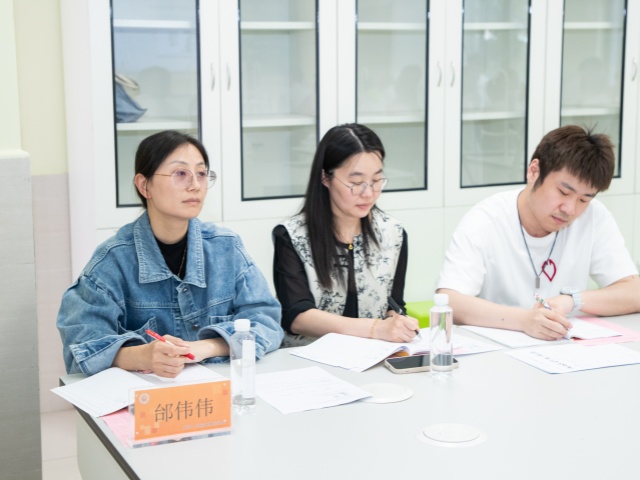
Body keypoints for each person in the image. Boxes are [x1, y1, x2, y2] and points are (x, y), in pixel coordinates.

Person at [57, 130, 283, 377]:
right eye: (180, 174)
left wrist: (208, 346)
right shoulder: (112, 261)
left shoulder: (226, 248)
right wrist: (142, 355)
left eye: (201, 174)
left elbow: (267, 321)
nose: (195, 186)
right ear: (144, 185)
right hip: (147, 396)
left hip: (221, 389)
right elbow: (80, 349)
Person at [436, 125, 640, 340]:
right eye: (563, 192)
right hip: (499, 348)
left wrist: (572, 300)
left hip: (566, 348)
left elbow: (634, 292)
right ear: (534, 171)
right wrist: (524, 320)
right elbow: (450, 300)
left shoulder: (594, 217)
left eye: (583, 199)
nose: (570, 209)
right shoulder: (485, 220)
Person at [272, 123, 418, 347]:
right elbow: (297, 316)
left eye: (376, 181)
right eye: (356, 183)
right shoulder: (292, 235)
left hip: (372, 356)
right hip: (310, 358)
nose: (368, 193)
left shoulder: (393, 232)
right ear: (325, 177)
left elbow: (394, 303)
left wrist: (397, 322)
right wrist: (376, 329)